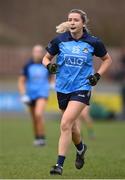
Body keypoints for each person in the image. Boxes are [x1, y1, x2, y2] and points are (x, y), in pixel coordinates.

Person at [42, 9, 112, 175]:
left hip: (82, 88)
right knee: (72, 127)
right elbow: (45, 58)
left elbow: (107, 60)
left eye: (75, 20)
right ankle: (81, 149)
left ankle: (59, 165)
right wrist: (49, 66)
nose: (72, 22)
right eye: (70, 19)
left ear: (83, 23)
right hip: (62, 88)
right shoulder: (59, 40)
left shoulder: (94, 42)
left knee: (65, 123)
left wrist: (97, 75)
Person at [18, 45, 50, 146]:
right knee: (34, 118)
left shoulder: (46, 64)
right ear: (33, 53)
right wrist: (23, 95)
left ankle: (42, 138)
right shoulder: (27, 65)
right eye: (36, 51)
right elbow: (21, 81)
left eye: (40, 51)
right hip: (30, 95)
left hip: (42, 93)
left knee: (38, 114)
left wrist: (53, 84)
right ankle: (37, 137)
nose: (38, 53)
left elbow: (52, 77)